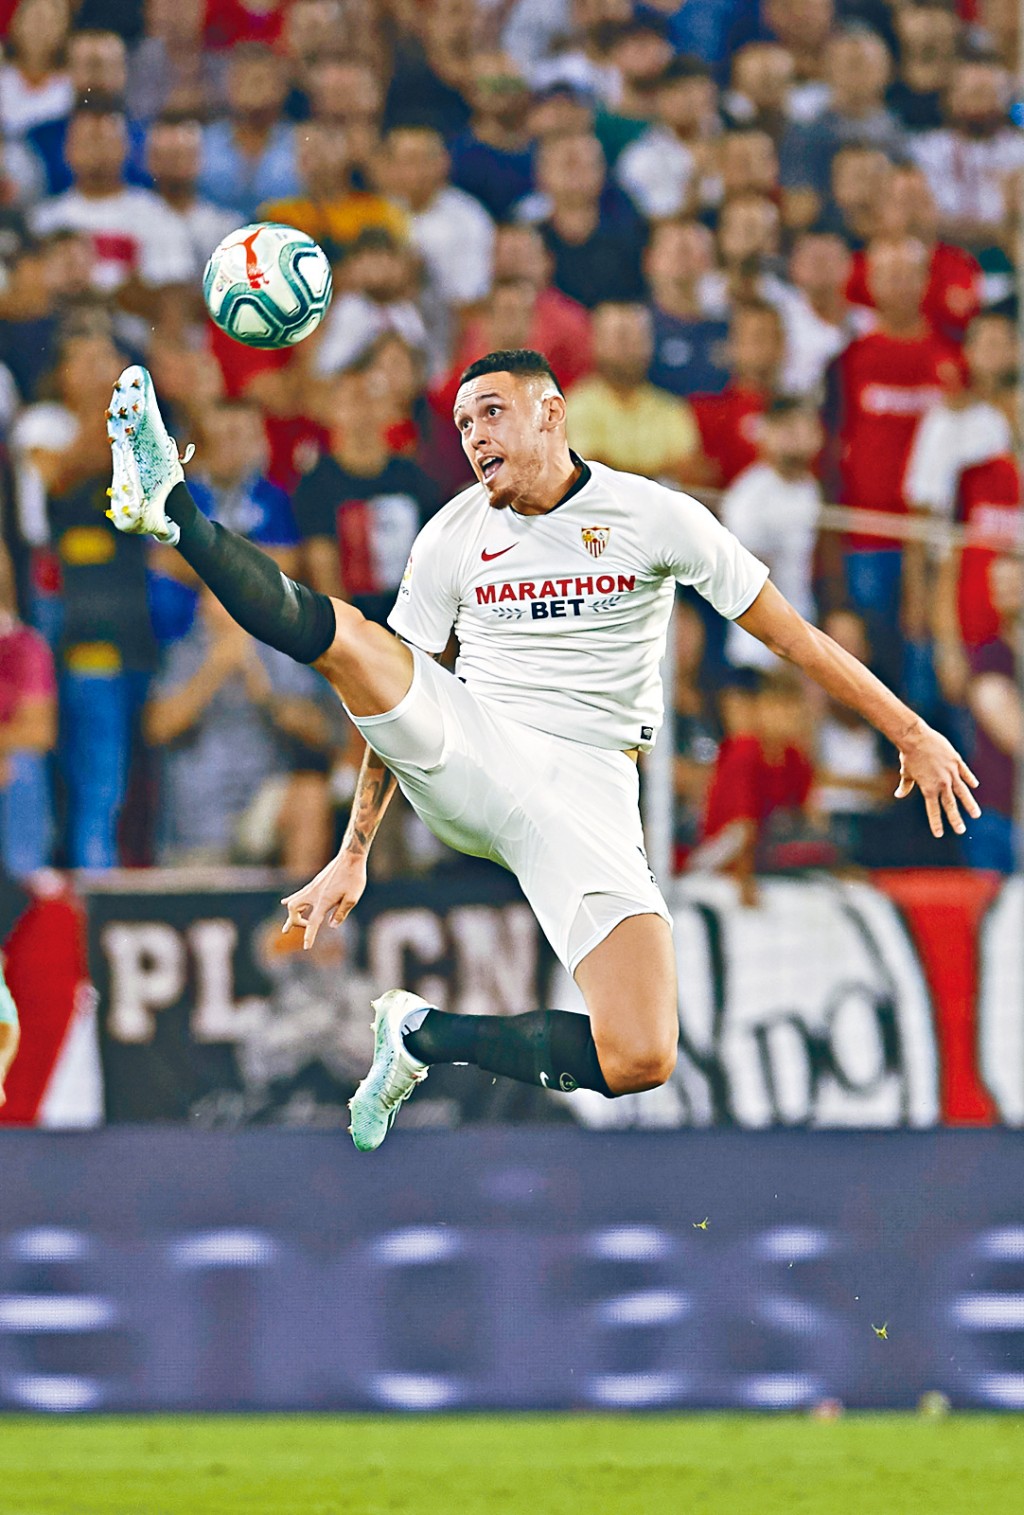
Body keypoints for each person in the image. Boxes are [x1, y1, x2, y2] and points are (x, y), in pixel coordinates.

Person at [104, 348, 979, 1151]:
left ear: (551, 413)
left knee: (640, 1052)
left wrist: (911, 729)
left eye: (491, 413)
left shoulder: (652, 515)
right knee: (355, 643)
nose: (475, 437)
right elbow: (394, 696)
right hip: (477, 747)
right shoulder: (451, 535)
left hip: (591, 794)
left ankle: (421, 1036)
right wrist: (353, 850)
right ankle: (175, 512)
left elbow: (793, 637)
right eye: (462, 425)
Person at [721, 397, 823, 670]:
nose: (796, 437)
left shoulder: (812, 489)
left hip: (803, 621)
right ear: (767, 434)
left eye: (804, 428)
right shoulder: (749, 493)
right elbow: (746, 572)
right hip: (758, 637)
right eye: (787, 429)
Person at [564, 301, 701, 483]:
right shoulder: (574, 405)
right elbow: (589, 471)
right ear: (596, 342)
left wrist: (619, 469)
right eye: (621, 336)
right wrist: (658, 474)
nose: (630, 347)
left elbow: (691, 473)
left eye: (640, 338)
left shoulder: (671, 408)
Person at [963, 554, 1022, 873]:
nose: (1006, 591)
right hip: (1000, 815)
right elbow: (1014, 736)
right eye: (1000, 584)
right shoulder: (991, 657)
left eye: (1015, 582)